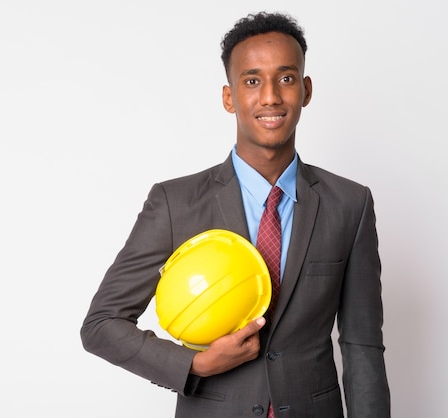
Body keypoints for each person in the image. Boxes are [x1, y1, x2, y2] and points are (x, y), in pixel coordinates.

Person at [80, 11, 390, 418]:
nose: (270, 97)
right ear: (229, 97)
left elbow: (361, 343)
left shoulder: (350, 203)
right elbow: (102, 323)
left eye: (286, 78)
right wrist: (195, 365)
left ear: (306, 89)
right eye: (252, 81)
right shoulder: (175, 202)